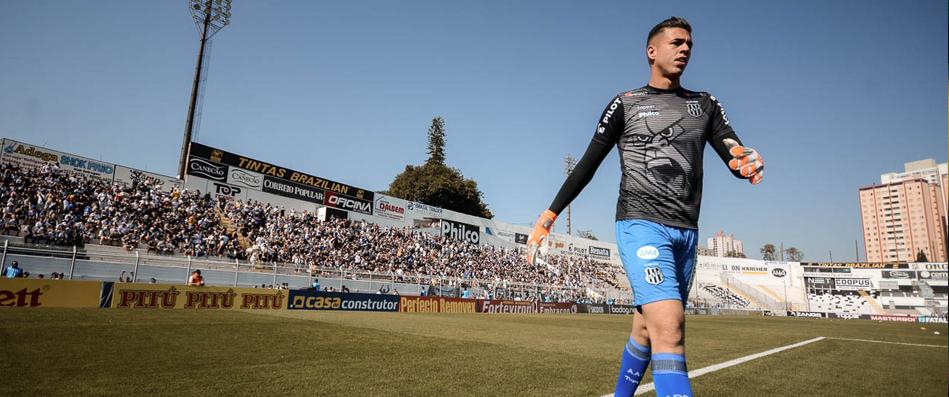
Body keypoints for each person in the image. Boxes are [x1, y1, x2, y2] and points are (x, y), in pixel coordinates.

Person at [525, 17, 763, 397]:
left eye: (689, 44)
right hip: (640, 224)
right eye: (676, 42)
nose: (685, 49)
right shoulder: (626, 103)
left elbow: (731, 147)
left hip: (687, 232)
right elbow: (587, 165)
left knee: (646, 329)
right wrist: (548, 216)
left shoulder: (705, 104)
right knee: (669, 327)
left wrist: (744, 159)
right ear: (652, 51)